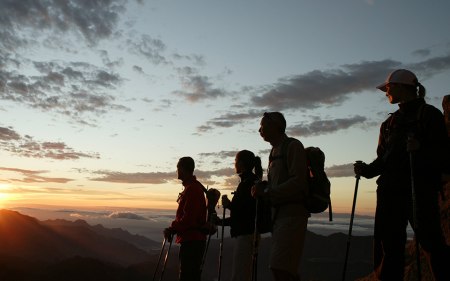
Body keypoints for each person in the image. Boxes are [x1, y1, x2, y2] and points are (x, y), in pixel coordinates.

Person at [354, 69, 450, 280]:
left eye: (388, 87)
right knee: (389, 248)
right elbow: (383, 161)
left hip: (419, 189)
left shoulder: (429, 115)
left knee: (431, 244)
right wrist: (366, 170)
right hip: (391, 192)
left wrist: (420, 150)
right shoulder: (388, 124)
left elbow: (444, 157)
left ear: (400, 87)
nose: (386, 92)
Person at [252, 112, 309, 281]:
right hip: (279, 217)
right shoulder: (274, 151)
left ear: (276, 126)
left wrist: (268, 192)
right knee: (283, 269)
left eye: (262, 126)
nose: (259, 130)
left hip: (292, 216)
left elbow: (299, 182)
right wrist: (264, 187)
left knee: (280, 267)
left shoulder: (293, 146)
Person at [220, 150, 263, 281]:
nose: (234, 164)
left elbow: (241, 214)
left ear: (241, 163)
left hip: (246, 234)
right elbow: (243, 211)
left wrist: (228, 206)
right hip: (251, 232)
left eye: (235, 161)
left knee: (240, 276)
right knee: (243, 273)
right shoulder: (252, 181)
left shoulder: (247, 183)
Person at [164, 157, 207, 281]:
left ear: (182, 169)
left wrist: (172, 228)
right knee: (190, 275)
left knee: (188, 276)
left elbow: (188, 218)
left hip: (192, 241)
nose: (177, 170)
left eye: (178, 168)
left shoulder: (192, 189)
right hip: (192, 240)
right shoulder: (192, 187)